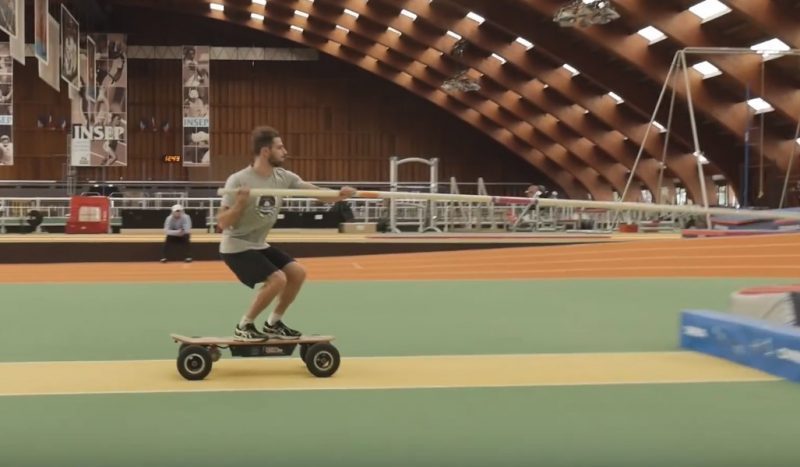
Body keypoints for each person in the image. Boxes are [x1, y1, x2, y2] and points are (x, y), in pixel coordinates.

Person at [218, 125, 356, 341]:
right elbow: (222, 223)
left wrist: (339, 194)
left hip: (259, 244)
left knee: (297, 273)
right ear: (266, 151)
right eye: (280, 147)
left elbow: (315, 192)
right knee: (277, 279)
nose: (285, 151)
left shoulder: (283, 177)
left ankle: (273, 323)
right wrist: (240, 204)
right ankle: (244, 326)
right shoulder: (238, 180)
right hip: (236, 245)